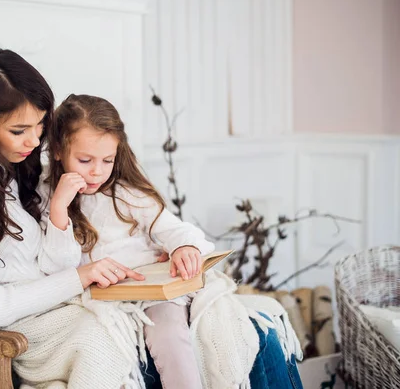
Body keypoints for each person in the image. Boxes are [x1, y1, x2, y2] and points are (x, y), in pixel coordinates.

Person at [0, 49, 148, 388]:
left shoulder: (5, 174)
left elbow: (51, 265)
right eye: (19, 129)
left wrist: (62, 220)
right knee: (105, 343)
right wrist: (76, 279)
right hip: (23, 333)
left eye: (40, 126)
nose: (35, 141)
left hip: (57, 312)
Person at [41, 94, 304, 389]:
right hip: (105, 300)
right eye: (85, 160)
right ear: (58, 151)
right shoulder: (46, 199)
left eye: (107, 160)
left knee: (169, 335)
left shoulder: (125, 194)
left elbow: (178, 230)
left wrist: (183, 248)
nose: (97, 172)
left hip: (154, 290)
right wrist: (59, 209)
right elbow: (57, 269)